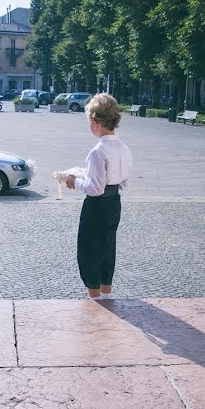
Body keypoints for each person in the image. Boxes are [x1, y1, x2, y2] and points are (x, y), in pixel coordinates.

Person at [64, 93, 133, 299]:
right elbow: (123, 181)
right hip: (114, 203)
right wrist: (87, 175)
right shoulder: (124, 148)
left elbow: (95, 189)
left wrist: (73, 181)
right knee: (107, 248)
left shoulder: (97, 151)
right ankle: (106, 294)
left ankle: (95, 299)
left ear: (94, 122)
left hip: (96, 207)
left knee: (89, 252)